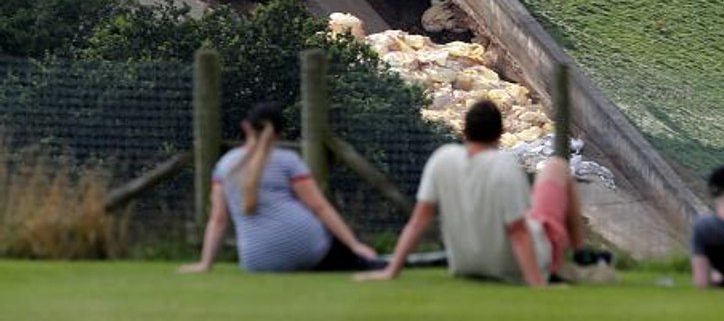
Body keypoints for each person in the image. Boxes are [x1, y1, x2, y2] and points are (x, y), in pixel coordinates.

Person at [357, 99, 586, 286]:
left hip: (466, 265)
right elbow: (519, 232)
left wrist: (391, 271)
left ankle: (576, 257)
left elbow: (418, 222)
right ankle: (580, 257)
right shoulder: (504, 164)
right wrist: (538, 284)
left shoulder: (442, 159)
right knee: (557, 166)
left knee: (531, 212)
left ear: (464, 130)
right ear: (500, 133)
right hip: (518, 265)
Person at [180, 103, 384, 273]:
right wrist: (354, 245)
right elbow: (319, 207)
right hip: (310, 249)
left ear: (246, 128)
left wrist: (206, 264)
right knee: (356, 258)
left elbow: (218, 219)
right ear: (279, 134)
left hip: (256, 262)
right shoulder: (287, 160)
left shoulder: (225, 165)